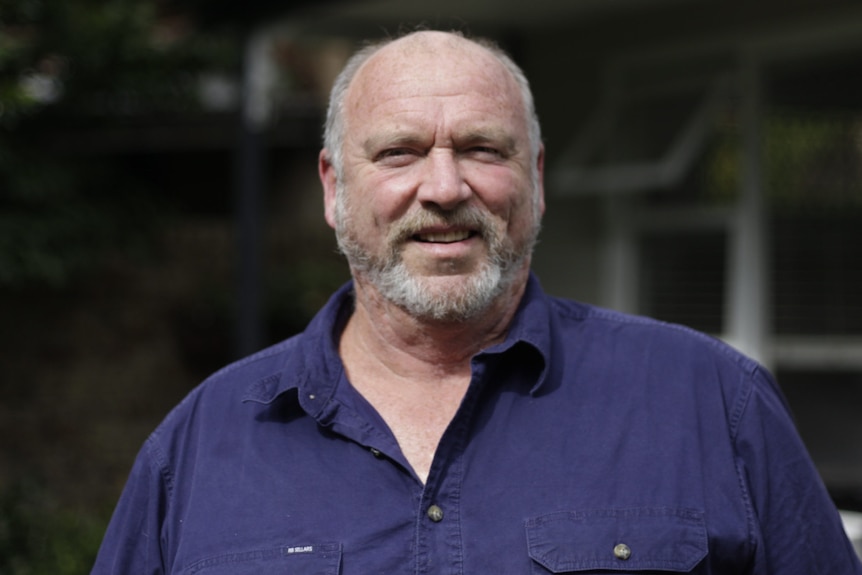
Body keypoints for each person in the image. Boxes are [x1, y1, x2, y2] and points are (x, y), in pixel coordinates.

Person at [92, 30, 862, 574]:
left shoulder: (711, 402)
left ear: (536, 177)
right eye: (399, 152)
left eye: (482, 149)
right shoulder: (200, 444)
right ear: (334, 188)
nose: (444, 188)